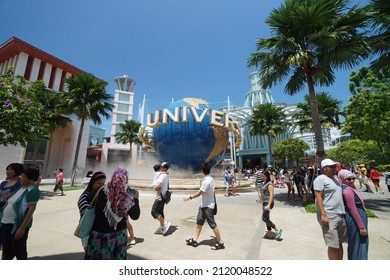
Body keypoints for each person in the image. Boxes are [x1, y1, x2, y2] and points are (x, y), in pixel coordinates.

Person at [84, 168, 140, 260]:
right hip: (118, 237)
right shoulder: (127, 198)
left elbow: (88, 199)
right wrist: (136, 199)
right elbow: (135, 216)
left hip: (98, 235)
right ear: (126, 180)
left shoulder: (101, 190)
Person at [1, 168, 41, 260]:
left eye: (23, 176)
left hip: (17, 225)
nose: (20, 178)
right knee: (7, 249)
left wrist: (22, 228)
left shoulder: (33, 190)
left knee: (19, 250)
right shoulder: (21, 188)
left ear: (31, 179)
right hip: (7, 222)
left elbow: (31, 210)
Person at [183, 163, 225, 250]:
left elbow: (200, 192)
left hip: (208, 206)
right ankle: (195, 240)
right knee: (199, 222)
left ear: (202, 171)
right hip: (203, 205)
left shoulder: (207, 181)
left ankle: (220, 242)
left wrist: (189, 197)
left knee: (212, 224)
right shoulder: (209, 178)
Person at [313, 159, 347, 260]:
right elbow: (318, 196)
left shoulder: (336, 179)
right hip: (329, 214)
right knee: (333, 245)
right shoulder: (320, 179)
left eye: (335, 166)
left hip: (340, 214)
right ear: (324, 168)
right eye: (331, 167)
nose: (334, 169)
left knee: (339, 243)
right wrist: (323, 214)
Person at [338, 169, 368, 260]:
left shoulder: (349, 188)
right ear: (342, 179)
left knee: (357, 242)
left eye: (353, 178)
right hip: (356, 218)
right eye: (348, 179)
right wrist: (361, 227)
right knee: (359, 242)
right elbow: (352, 209)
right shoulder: (347, 190)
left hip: (357, 216)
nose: (351, 181)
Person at [77, 171, 106, 249]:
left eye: (103, 184)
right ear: (92, 183)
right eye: (98, 183)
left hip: (99, 231)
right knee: (89, 252)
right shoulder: (85, 195)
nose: (101, 186)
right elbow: (84, 209)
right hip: (87, 230)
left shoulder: (102, 195)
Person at [0, 163, 24, 249]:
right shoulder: (4, 182)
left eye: (10, 170)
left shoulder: (20, 184)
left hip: (9, 214)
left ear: (17, 171)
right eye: (7, 169)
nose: (7, 171)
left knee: (5, 239)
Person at [260, 170, 283, 239]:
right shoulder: (264, 183)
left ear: (267, 176)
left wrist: (269, 205)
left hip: (268, 203)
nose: (262, 177)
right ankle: (269, 233)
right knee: (267, 218)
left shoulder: (269, 184)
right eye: (262, 176)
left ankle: (276, 229)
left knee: (264, 218)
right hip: (265, 202)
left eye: (263, 176)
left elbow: (271, 195)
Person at [151, 162, 171, 235]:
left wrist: (155, 188)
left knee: (154, 212)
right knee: (160, 211)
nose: (161, 168)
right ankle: (162, 226)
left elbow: (158, 186)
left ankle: (163, 225)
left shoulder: (162, 176)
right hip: (163, 196)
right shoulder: (165, 175)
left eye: (162, 167)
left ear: (165, 168)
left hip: (160, 197)